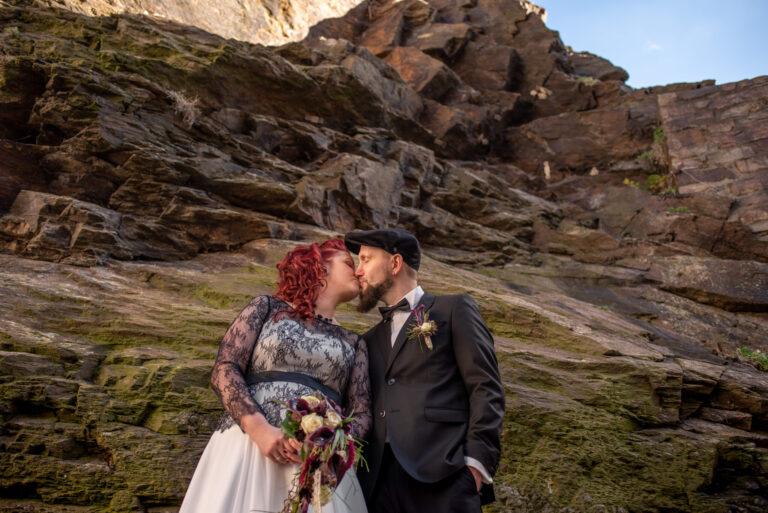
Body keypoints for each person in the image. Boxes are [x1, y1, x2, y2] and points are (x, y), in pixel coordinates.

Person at [180, 238, 371, 513]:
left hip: (317, 462)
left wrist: (328, 447)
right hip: (249, 445)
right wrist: (260, 430)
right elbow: (225, 368)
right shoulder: (267, 309)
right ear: (321, 268)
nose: (358, 272)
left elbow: (362, 413)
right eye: (349, 263)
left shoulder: (355, 343)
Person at [344, 228, 505, 513]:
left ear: (395, 264)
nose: (358, 271)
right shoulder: (366, 341)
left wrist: (476, 466)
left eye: (366, 259)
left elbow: (485, 387)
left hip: (445, 476)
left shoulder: (454, 309)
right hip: (378, 483)